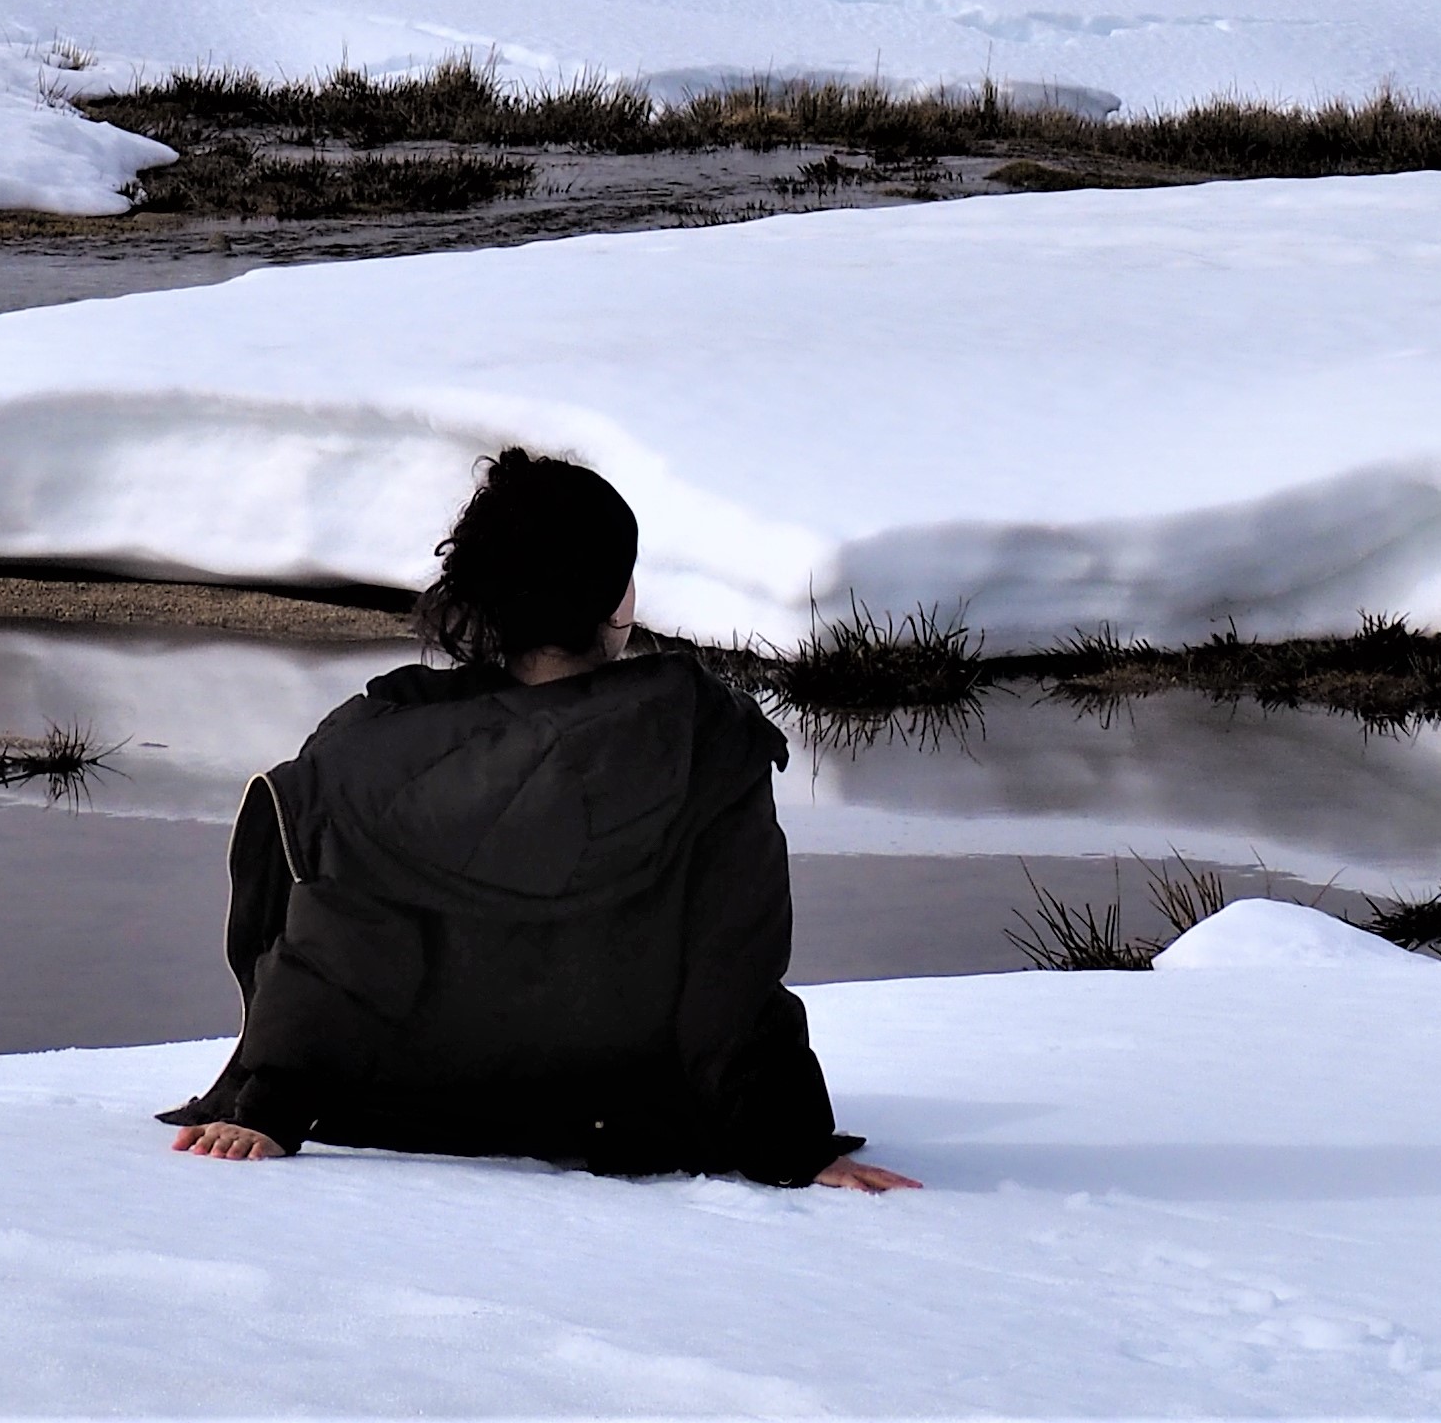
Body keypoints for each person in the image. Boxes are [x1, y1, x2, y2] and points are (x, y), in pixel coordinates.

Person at [162, 446, 917, 1194]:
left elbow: (342, 949)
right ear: (616, 600)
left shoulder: (375, 749)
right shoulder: (703, 741)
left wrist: (272, 1103)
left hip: (415, 1112)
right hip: (625, 1119)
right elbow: (731, 975)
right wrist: (789, 1145)